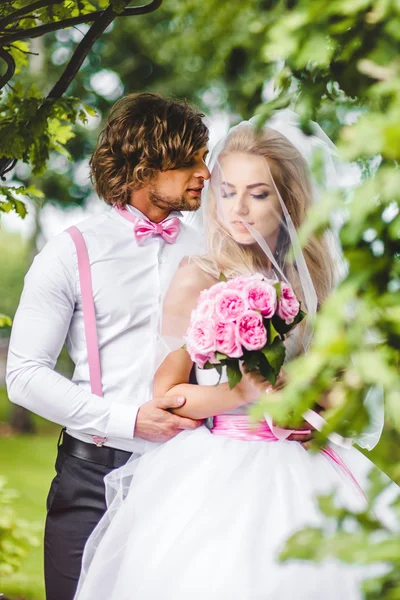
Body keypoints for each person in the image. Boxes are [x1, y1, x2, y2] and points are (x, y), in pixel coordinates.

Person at [74, 115, 392, 600]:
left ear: (288, 200)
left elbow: (345, 390)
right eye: (226, 191)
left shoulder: (317, 280)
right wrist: (240, 392)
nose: (238, 207)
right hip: (218, 466)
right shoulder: (198, 275)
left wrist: (311, 392)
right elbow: (168, 395)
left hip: (305, 462)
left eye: (258, 193)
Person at [5, 92, 212, 600]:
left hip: (194, 477)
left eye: (204, 159)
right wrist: (129, 420)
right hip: (91, 478)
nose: (205, 173)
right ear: (145, 163)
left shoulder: (213, 251)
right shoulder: (70, 252)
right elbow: (24, 375)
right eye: (190, 160)